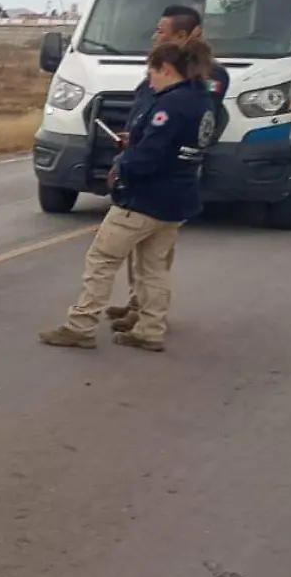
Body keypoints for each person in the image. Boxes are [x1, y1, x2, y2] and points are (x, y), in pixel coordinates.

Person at [39, 41, 211, 352]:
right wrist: (138, 140)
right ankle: (150, 328)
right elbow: (175, 144)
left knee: (102, 259)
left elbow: (152, 155)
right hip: (178, 196)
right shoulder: (201, 101)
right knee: (153, 268)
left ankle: (82, 324)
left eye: (152, 73)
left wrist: (122, 165)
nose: (150, 80)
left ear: (167, 70)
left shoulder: (169, 105)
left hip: (145, 198)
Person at [109, 4, 229, 332]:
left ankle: (149, 313)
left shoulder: (206, 75)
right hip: (145, 157)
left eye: (161, 31)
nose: (155, 35)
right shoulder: (163, 66)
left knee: (155, 251)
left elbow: (196, 121)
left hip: (168, 172)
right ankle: (139, 303)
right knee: (140, 248)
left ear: (185, 35)